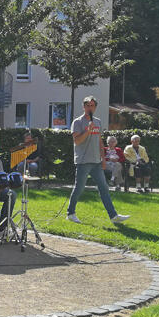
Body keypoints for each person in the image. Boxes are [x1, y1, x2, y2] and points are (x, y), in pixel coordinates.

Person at [67, 96, 129, 224]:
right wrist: (87, 131)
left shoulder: (98, 122)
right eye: (88, 105)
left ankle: (113, 216)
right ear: (84, 107)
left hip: (96, 162)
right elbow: (77, 141)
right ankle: (70, 213)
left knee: (104, 188)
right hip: (83, 162)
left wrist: (103, 159)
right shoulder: (77, 122)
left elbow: (99, 142)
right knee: (79, 188)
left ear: (95, 107)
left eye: (92, 105)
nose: (90, 108)